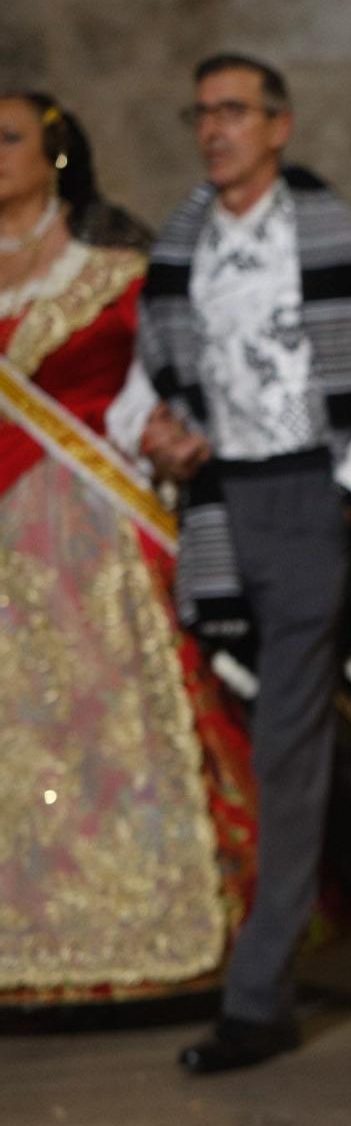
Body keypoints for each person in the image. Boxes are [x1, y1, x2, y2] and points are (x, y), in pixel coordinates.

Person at [116, 53, 351, 1072]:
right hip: (227, 509)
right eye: (202, 113)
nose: (214, 128)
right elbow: (145, 386)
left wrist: (347, 487)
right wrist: (164, 435)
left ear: (278, 125)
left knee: (283, 746)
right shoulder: (184, 248)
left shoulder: (332, 238)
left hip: (315, 496)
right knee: (291, 738)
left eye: (233, 111)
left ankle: (259, 998)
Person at [0, 92, 261, 1008]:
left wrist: (175, 436)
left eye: (9, 138)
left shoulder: (118, 273)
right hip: (5, 556)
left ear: (58, 154)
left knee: (124, 726)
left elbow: (181, 381)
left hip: (101, 538)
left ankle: (179, 934)